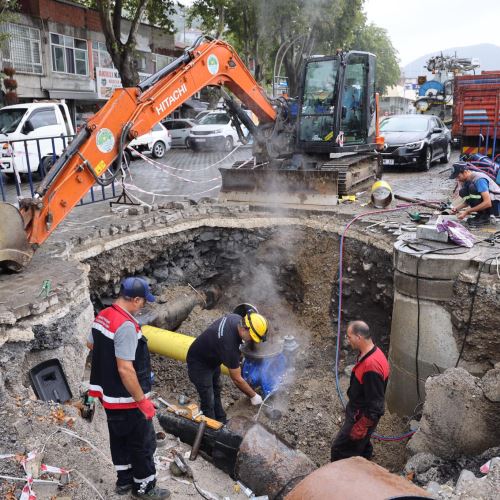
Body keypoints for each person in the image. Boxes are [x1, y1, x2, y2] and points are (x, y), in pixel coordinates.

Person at [87, 277, 170, 499]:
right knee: (142, 443)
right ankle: (145, 488)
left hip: (109, 397)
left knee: (119, 439)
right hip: (127, 400)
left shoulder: (103, 316)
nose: (143, 306)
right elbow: (126, 369)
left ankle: (124, 481)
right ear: (135, 299)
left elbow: (90, 344)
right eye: (143, 301)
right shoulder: (125, 326)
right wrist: (142, 400)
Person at [186, 311, 268, 422]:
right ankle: (210, 430)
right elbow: (237, 379)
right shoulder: (229, 346)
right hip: (199, 365)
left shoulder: (236, 318)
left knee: (216, 390)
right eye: (252, 337)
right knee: (208, 400)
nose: (252, 340)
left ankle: (221, 421)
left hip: (211, 359)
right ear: (245, 329)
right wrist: (253, 396)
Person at [331, 321, 389, 462]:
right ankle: (364, 461)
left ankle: (344, 478)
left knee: (340, 450)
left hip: (361, 416)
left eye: (349, 337)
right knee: (362, 444)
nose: (347, 340)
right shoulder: (371, 352)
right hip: (358, 410)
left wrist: (362, 425)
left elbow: (376, 404)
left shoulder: (371, 366)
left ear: (359, 337)